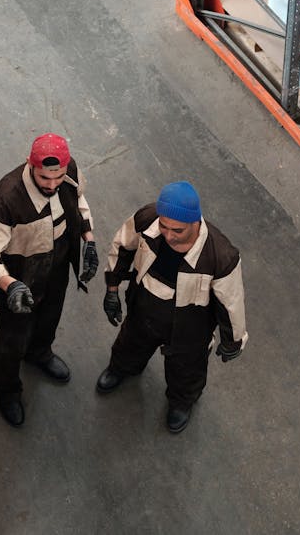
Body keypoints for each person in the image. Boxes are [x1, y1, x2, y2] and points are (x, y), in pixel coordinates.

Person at [96, 181, 247, 434]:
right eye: (163, 227)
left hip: (189, 329)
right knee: (129, 345)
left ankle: (181, 402)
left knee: (186, 371)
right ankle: (122, 369)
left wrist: (233, 340)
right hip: (143, 310)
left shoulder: (221, 256)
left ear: (195, 222)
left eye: (176, 230)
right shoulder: (148, 219)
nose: (167, 235)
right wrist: (112, 288)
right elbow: (122, 247)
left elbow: (230, 302)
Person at [0, 133, 98, 427]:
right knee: (11, 340)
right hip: (19, 278)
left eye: (59, 177)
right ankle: (6, 389)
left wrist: (87, 238)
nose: (52, 185)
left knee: (49, 318)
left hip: (56, 268)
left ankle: (40, 352)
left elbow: (79, 202)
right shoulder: (7, 199)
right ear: (30, 164)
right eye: (44, 178)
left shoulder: (71, 172)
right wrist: (9, 284)